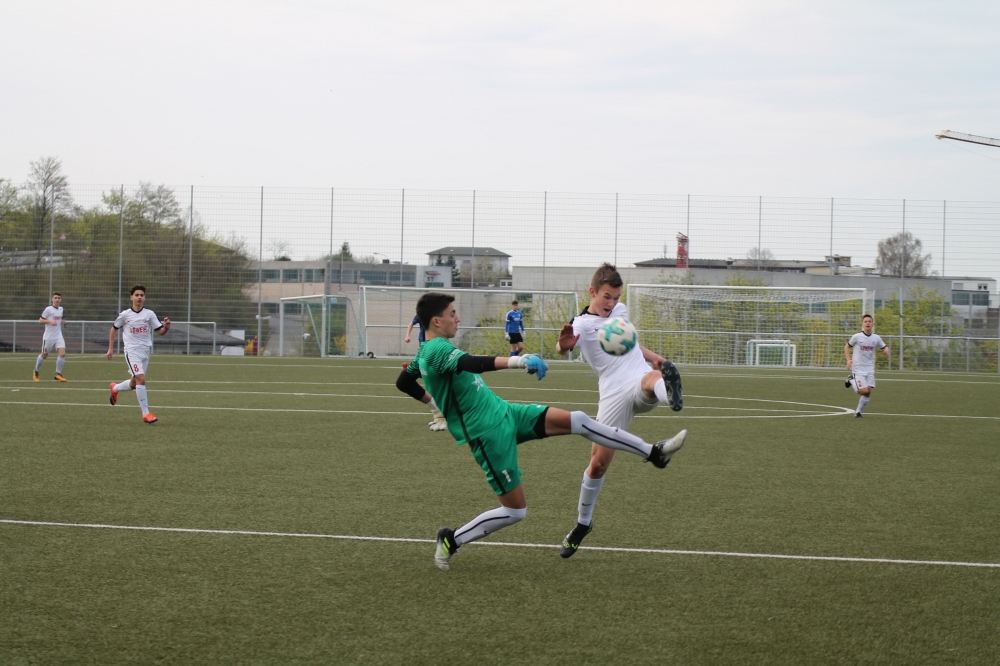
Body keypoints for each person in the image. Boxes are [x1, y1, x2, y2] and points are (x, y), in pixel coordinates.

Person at [395, 292, 687, 570]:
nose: (457, 318)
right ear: (436, 321)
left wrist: (434, 405)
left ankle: (654, 452)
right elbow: (470, 363)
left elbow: (404, 382)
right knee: (515, 511)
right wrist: (518, 360)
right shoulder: (435, 348)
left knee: (579, 420)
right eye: (452, 314)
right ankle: (451, 539)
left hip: (505, 412)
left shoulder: (424, 352)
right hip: (487, 434)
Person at [554, 263, 684, 558]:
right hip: (612, 394)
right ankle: (582, 524)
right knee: (597, 465)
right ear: (592, 292)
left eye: (615, 297)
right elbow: (564, 347)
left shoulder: (620, 311)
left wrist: (657, 359)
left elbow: (631, 344)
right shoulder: (581, 324)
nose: (611, 303)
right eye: (606, 297)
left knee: (653, 379)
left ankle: (670, 394)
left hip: (638, 380)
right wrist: (563, 346)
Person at [107, 285, 171, 423]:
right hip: (132, 351)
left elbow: (160, 331)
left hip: (145, 351)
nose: (139, 297)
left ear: (144, 298)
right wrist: (110, 348)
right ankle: (146, 414)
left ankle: (115, 388)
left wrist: (166, 328)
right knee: (141, 379)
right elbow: (114, 329)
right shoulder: (125, 315)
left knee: (134, 383)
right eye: (137, 295)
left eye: (142, 295)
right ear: (131, 297)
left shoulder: (149, 314)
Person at [404, 310, 448, 432]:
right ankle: (439, 416)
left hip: (432, 345)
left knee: (434, 379)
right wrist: (407, 335)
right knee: (416, 379)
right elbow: (411, 323)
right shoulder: (422, 314)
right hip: (423, 345)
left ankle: (444, 415)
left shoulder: (437, 315)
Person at [844, 314, 889, 418]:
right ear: (862, 324)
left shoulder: (876, 338)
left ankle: (857, 412)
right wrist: (848, 360)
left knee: (868, 392)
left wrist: (886, 350)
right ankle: (851, 380)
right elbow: (847, 346)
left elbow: (884, 346)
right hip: (858, 368)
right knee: (863, 391)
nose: (867, 323)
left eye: (869, 321)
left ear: (873, 324)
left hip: (869, 368)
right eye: (865, 321)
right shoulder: (857, 336)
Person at [34, 292, 68, 382]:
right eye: (55, 298)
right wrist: (49, 321)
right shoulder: (48, 309)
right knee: (44, 355)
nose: (57, 300)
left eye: (59, 298)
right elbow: (40, 320)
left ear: (60, 300)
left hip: (58, 335)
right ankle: (36, 372)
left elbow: (60, 318)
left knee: (62, 354)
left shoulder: (61, 309)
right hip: (49, 337)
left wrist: (62, 321)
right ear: (52, 299)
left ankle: (58, 374)